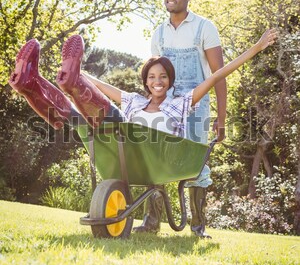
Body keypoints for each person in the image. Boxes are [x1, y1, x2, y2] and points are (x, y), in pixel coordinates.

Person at [9, 30, 277, 232]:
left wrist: (256, 47)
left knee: (96, 117)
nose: (157, 81)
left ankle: (66, 82)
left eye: (162, 77)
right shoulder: (134, 101)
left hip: (151, 157)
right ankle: (31, 84)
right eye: (151, 77)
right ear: (145, 82)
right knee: (80, 118)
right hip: (119, 152)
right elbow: (101, 88)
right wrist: (79, 75)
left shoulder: (180, 104)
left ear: (170, 81)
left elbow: (217, 76)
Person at [134, 0, 227, 236]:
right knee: (155, 158)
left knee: (196, 162)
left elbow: (219, 75)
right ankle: (151, 222)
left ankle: (198, 227)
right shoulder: (159, 33)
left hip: (197, 109)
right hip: (167, 107)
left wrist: (221, 118)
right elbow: (154, 78)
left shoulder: (204, 28)